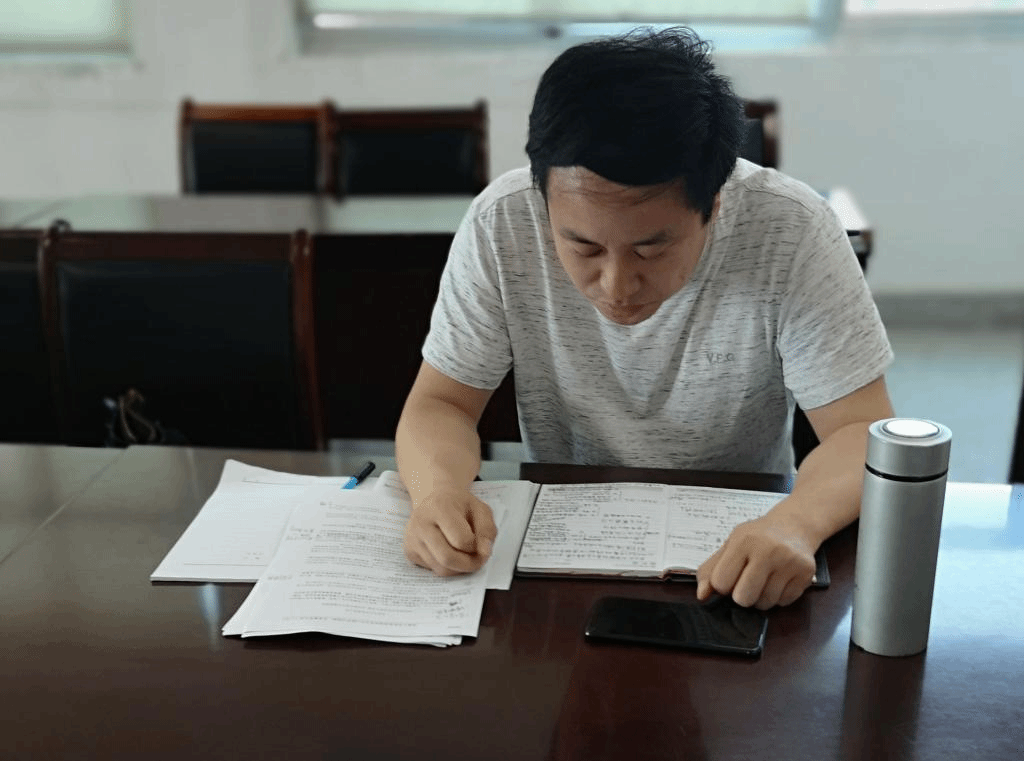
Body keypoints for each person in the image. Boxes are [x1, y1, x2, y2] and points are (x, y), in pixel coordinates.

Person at [395, 26, 894, 610]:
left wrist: (796, 523)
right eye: (583, 247)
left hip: (736, 551)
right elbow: (442, 404)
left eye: (651, 249)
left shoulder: (793, 228)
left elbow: (861, 430)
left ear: (715, 203)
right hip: (564, 547)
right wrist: (436, 494)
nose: (616, 285)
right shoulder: (501, 222)